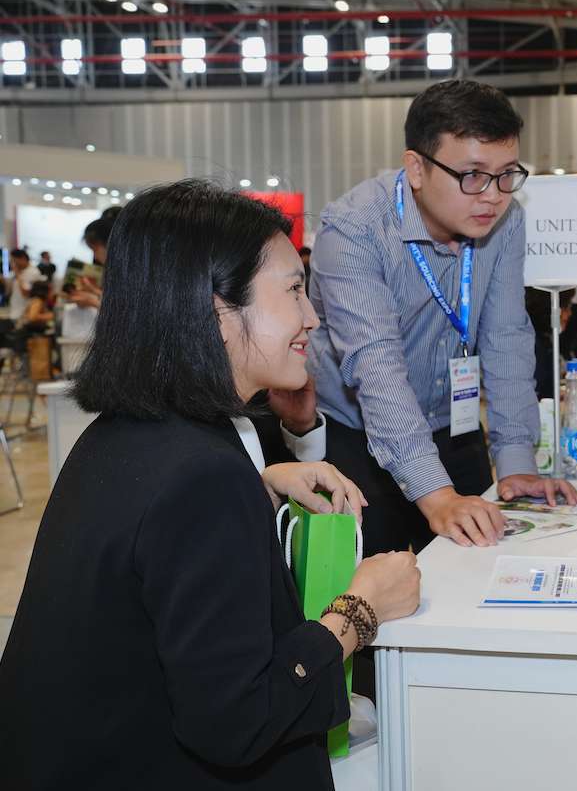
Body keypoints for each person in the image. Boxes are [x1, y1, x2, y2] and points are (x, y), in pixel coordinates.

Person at [0, 179, 422, 789]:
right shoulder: (201, 471)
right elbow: (238, 720)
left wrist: (263, 485)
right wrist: (359, 611)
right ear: (217, 310)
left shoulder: (126, 434)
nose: (311, 317)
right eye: (294, 291)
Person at [309, 79, 577, 556]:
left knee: (483, 569)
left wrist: (516, 462)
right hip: (359, 439)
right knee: (378, 601)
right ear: (416, 167)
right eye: (473, 175)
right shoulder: (353, 230)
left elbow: (506, 336)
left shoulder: (504, 221)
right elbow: (376, 365)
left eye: (507, 174)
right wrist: (436, 496)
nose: (493, 196)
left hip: (453, 426)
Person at [524, 286, 576, 400]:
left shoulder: (546, 339)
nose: (570, 314)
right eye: (567, 307)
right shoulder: (535, 346)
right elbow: (540, 392)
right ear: (552, 310)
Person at [6, 248, 44, 314]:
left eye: (14, 260)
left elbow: (26, 293)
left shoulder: (33, 272)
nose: (13, 264)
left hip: (24, 311)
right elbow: (9, 291)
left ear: (23, 258)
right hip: (14, 308)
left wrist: (17, 274)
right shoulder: (18, 271)